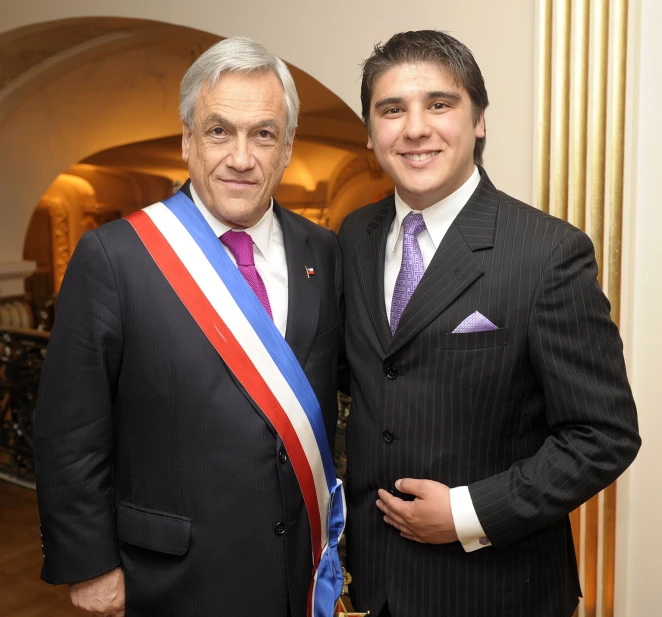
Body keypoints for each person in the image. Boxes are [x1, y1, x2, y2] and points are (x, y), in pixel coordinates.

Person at [34, 37, 344, 617]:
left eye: (264, 134)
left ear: (286, 148)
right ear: (187, 141)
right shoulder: (114, 256)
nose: (241, 157)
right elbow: (69, 428)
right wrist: (89, 563)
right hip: (172, 574)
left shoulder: (323, 250)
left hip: (298, 568)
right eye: (219, 131)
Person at [339, 30, 640, 617]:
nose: (416, 127)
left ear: (478, 120)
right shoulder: (353, 237)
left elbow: (603, 436)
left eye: (440, 104)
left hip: (497, 591)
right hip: (373, 588)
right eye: (392, 109)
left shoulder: (546, 253)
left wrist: (467, 513)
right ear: (371, 131)